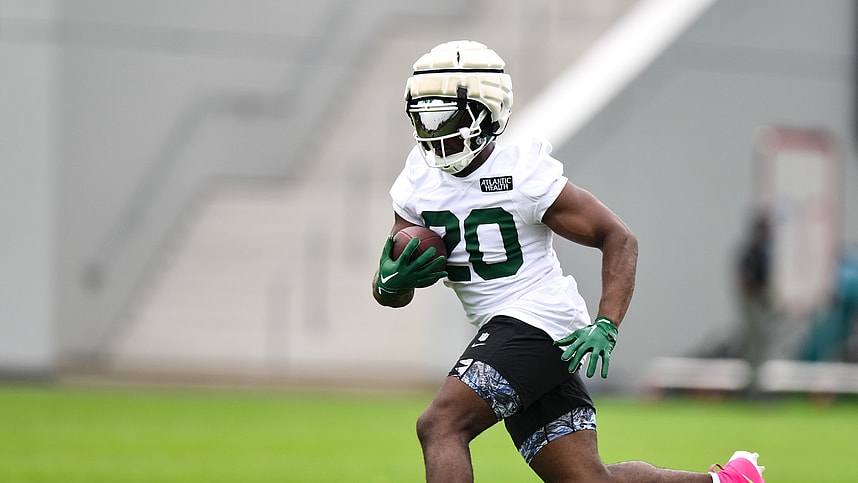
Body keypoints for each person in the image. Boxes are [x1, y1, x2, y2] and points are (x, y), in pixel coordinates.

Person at [371, 40, 765, 483]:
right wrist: (390, 282)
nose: (434, 129)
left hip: (539, 320)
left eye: (446, 114)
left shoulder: (522, 170)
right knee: (586, 479)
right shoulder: (417, 178)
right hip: (505, 333)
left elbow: (618, 237)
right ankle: (730, 480)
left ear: (486, 111)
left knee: (440, 424)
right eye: (424, 115)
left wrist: (607, 323)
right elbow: (392, 286)